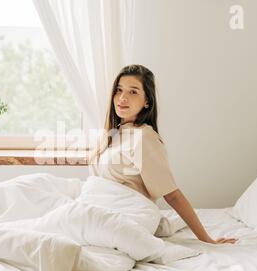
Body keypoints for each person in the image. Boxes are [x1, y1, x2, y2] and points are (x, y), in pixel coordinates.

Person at [89, 64, 237, 244]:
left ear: (147, 101)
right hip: (101, 211)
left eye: (133, 92)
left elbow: (172, 195)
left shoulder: (144, 138)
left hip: (125, 218)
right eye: (119, 90)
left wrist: (206, 239)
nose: (122, 97)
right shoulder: (112, 135)